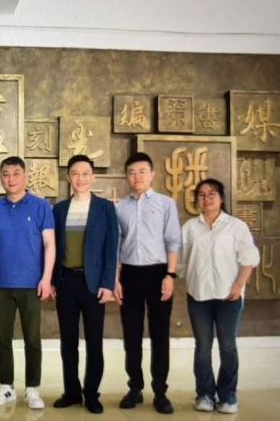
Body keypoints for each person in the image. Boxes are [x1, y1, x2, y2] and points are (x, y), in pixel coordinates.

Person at [181, 178, 259, 415]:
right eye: (201, 194)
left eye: (212, 193)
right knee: (202, 347)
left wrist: (238, 284)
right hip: (198, 295)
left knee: (227, 346)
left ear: (221, 197)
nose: (206, 198)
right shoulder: (189, 228)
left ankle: (228, 396)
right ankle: (204, 394)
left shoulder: (235, 226)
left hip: (229, 296)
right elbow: (182, 261)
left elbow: (249, 257)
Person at [0, 157, 55, 410]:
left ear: (25, 176)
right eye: (6, 174)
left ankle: (32, 388)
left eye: (16, 173)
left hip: (31, 284)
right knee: (2, 337)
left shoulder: (41, 206)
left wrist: (46, 278)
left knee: (32, 338)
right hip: (0, 284)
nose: (11, 179)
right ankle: (6, 386)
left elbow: (49, 244)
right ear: (1, 178)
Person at [51, 155, 119, 414]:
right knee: (68, 342)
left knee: (94, 342)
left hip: (93, 284)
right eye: (75, 173)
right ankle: (71, 392)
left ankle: (91, 394)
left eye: (85, 173)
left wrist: (108, 283)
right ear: (68, 177)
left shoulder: (105, 208)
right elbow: (54, 249)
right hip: (66, 282)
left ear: (92, 177)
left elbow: (111, 248)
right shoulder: (59, 209)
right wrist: (53, 280)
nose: (80, 178)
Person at [115, 152, 181, 415]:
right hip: (130, 275)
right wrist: (115, 279)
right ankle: (135, 388)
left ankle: (160, 392)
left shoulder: (166, 204)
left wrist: (170, 275)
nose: (137, 177)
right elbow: (117, 247)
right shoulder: (120, 207)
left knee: (159, 335)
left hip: (158, 274)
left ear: (152, 174)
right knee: (131, 336)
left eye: (142, 171)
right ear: (126, 176)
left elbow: (173, 241)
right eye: (132, 172)